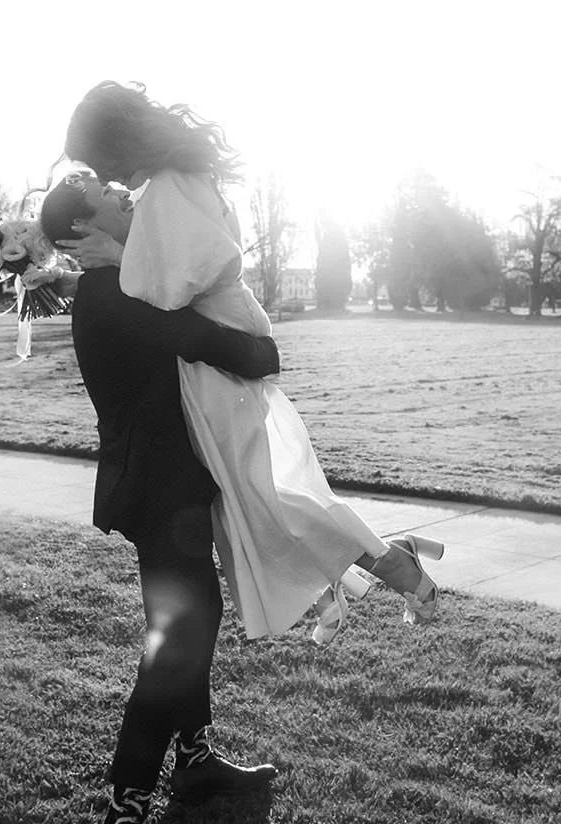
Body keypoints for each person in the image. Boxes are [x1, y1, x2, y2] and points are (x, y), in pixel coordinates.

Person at [51, 81, 443, 646]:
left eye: (101, 162)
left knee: (267, 500)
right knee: (254, 502)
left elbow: (169, 289)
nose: (109, 178)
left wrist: (114, 258)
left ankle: (392, 568)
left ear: (116, 144)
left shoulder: (166, 191)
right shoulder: (178, 182)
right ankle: (365, 569)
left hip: (217, 364)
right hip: (218, 355)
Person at [39, 176, 282, 824]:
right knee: (174, 648)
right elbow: (194, 336)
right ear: (82, 230)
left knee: (185, 632)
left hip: (171, 487)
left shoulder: (124, 279)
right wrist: (265, 354)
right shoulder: (107, 292)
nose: (121, 191)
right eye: (102, 192)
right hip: (155, 493)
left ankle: (198, 761)